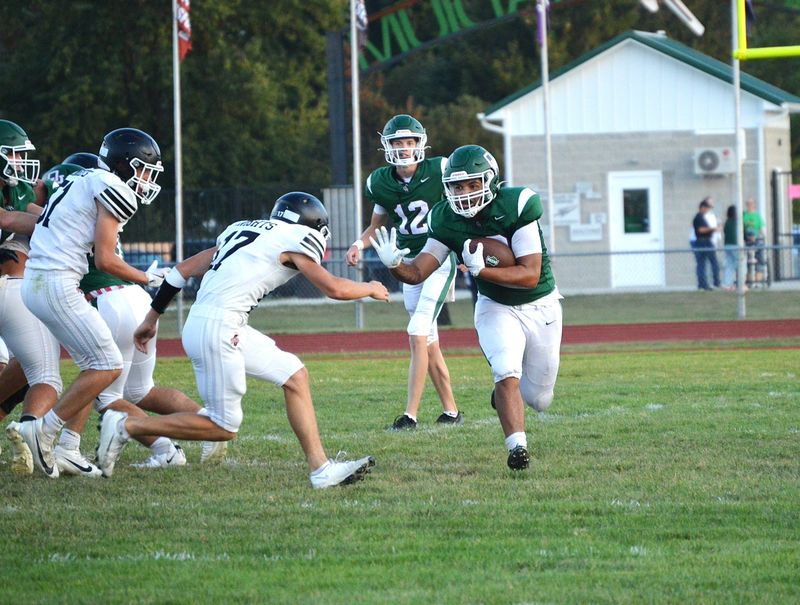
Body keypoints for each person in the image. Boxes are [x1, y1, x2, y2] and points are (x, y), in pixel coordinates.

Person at [97, 192, 387, 488]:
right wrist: (371, 287)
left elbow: (181, 271)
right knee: (223, 426)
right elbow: (334, 288)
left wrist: (151, 319)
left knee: (294, 374)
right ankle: (127, 425)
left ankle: (320, 469)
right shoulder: (297, 237)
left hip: (212, 322)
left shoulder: (243, 229)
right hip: (220, 326)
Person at [370, 145, 563, 471]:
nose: (465, 193)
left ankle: (506, 397)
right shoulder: (445, 217)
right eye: (458, 186)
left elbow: (529, 275)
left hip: (541, 305)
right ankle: (517, 448)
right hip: (494, 306)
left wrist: (481, 271)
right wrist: (394, 265)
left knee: (540, 399)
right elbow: (418, 271)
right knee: (505, 372)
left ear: (490, 180)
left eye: (473, 184)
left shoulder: (516, 204)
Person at [17, 127, 169, 479]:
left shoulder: (81, 177)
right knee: (108, 364)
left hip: (39, 281)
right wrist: (149, 277)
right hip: (57, 282)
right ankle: (46, 431)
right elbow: (105, 261)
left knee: (95, 365)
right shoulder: (113, 187)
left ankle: (68, 447)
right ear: (124, 166)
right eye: (144, 170)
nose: (146, 179)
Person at [345, 114, 461, 431]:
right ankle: (451, 411)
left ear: (420, 144)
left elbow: (461, 207)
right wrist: (359, 244)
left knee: (417, 330)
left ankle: (410, 415)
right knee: (429, 339)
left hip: (437, 258)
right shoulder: (380, 181)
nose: (405, 147)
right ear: (388, 146)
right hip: (407, 264)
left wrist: (463, 246)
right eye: (398, 142)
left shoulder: (439, 169)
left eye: (410, 141)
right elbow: (375, 226)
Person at [691, 197, 721, 291]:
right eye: (707, 208)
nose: (708, 210)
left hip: (706, 241)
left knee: (708, 263)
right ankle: (705, 284)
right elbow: (701, 230)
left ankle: (709, 283)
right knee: (705, 263)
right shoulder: (698, 218)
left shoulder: (704, 217)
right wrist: (713, 229)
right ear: (702, 207)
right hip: (703, 241)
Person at [743, 197, 767, 286]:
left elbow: (761, 228)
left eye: (751, 204)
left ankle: (758, 281)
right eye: (748, 204)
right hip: (747, 241)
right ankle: (750, 281)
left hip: (757, 240)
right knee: (748, 261)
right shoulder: (744, 215)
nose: (749, 206)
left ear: (754, 205)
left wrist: (764, 237)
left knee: (759, 260)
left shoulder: (757, 216)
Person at [722, 204, 739, 291]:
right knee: (740, 264)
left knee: (729, 265)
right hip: (735, 245)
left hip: (727, 245)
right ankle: (740, 283)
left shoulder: (727, 222)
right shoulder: (736, 222)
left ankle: (727, 284)